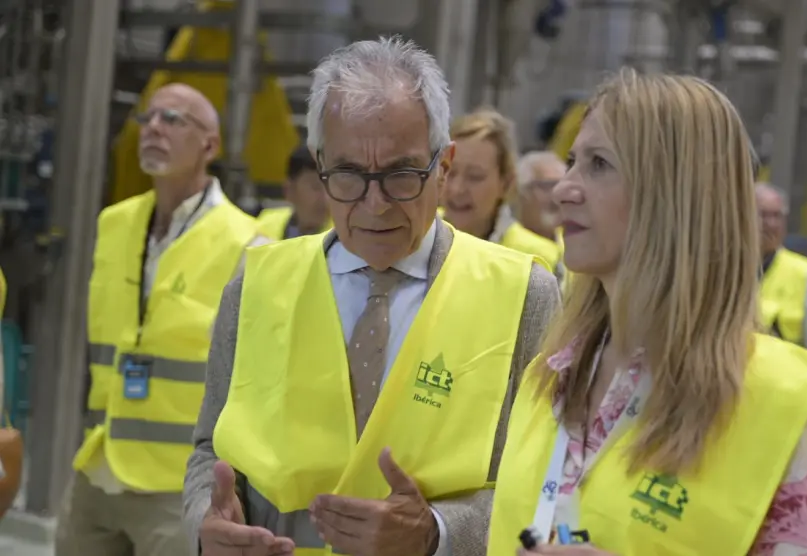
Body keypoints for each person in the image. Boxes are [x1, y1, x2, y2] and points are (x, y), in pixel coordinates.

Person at [183, 37, 561, 556]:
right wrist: (208, 524)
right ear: (319, 165)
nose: (375, 204)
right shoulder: (256, 285)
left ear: (443, 166)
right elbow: (210, 449)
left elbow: (546, 485)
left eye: (401, 175)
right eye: (348, 175)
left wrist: (437, 531)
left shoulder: (523, 295)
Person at [487, 69, 807, 556]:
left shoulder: (769, 403)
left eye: (599, 164)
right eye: (573, 161)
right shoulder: (550, 377)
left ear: (673, 195)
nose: (564, 189)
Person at [56, 83, 265, 556]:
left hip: (177, 484)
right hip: (99, 465)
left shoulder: (245, 242)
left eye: (173, 119)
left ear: (209, 145)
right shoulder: (115, 222)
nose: (153, 127)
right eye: (148, 117)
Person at [441, 108, 563, 277]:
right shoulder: (417, 235)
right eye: (449, 172)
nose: (457, 188)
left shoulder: (540, 260)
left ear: (506, 183)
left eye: (475, 177)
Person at [756, 183, 807, 355]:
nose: (771, 224)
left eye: (777, 216)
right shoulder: (726, 272)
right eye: (763, 215)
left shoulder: (806, 275)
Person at [257, 145, 334, 240]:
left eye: (331, 187)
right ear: (289, 190)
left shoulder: (340, 238)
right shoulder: (264, 227)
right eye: (316, 187)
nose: (326, 197)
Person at [515, 151, 566, 243]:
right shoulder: (504, 244)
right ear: (522, 192)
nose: (556, 195)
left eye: (562, 186)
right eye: (546, 186)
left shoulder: (577, 243)